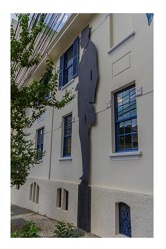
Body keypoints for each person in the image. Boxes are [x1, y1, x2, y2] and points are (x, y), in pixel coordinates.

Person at [76, 25, 98, 185]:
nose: (80, 44)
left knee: (85, 135)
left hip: (86, 100)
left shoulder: (91, 50)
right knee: (81, 135)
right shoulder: (84, 53)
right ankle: (84, 172)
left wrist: (90, 98)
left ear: (85, 37)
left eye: (80, 41)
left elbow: (95, 74)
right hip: (80, 99)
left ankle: (86, 172)